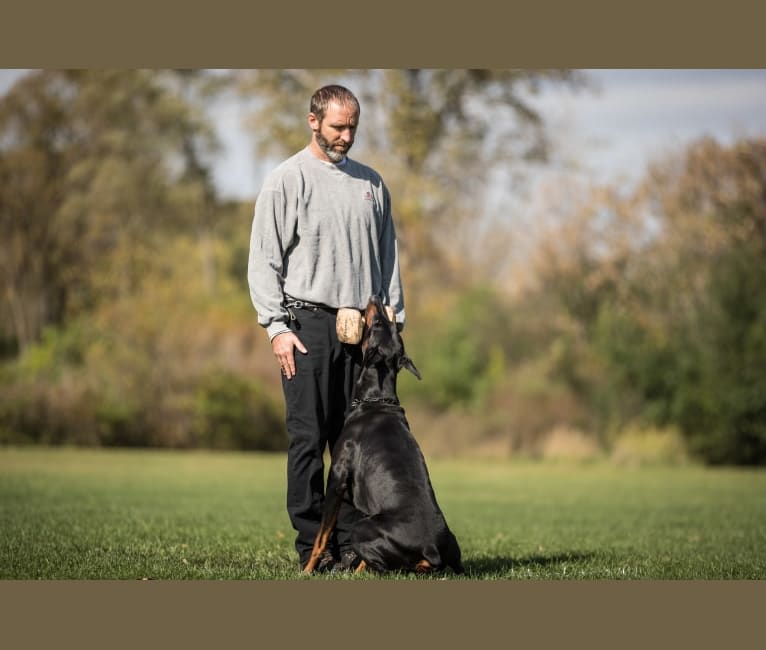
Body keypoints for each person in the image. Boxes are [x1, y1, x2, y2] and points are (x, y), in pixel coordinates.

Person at [247, 84, 406, 572]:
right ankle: (313, 548)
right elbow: (263, 262)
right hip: (306, 328)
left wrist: (393, 325)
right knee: (308, 441)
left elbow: (388, 263)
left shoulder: (372, 184)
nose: (346, 136)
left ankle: (356, 546)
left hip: (363, 331)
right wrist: (276, 327)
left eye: (353, 127)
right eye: (338, 126)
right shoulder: (286, 179)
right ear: (313, 121)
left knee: (356, 446)